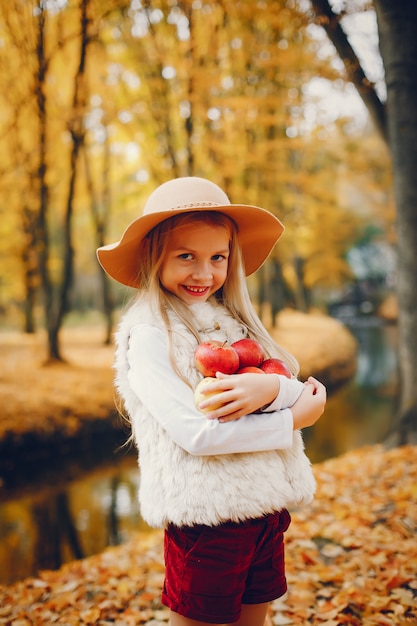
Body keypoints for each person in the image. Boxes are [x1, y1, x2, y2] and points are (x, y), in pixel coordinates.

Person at [97, 176, 326, 626]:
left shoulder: (230, 322)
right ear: (153, 256)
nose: (204, 274)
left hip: (264, 511)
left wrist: (276, 391)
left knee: (253, 619)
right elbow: (198, 435)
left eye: (217, 258)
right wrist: (291, 418)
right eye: (187, 257)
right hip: (207, 522)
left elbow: (289, 384)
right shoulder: (150, 335)